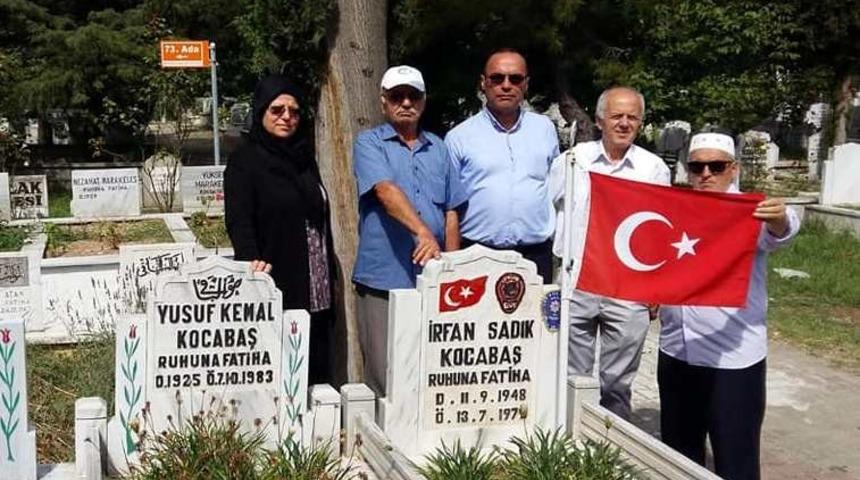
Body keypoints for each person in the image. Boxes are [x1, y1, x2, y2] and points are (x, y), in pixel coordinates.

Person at [658, 132, 799, 480]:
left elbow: (782, 229)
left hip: (732, 360)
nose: (706, 173)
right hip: (676, 350)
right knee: (680, 457)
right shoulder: (678, 207)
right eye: (697, 166)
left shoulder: (751, 212)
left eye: (716, 166)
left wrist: (781, 217)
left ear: (733, 169)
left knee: (735, 459)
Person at [552, 86, 671, 420]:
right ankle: (568, 438)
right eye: (617, 115)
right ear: (600, 119)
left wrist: (656, 285)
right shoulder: (573, 161)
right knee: (571, 375)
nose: (624, 123)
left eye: (632, 117)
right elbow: (548, 212)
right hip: (577, 282)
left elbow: (661, 230)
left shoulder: (654, 169)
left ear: (641, 123)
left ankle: (611, 442)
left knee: (618, 381)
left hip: (628, 286)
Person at [352, 65, 466, 396]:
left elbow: (451, 210)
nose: (405, 102)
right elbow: (385, 191)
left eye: (413, 95)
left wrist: (453, 268)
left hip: (432, 279)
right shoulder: (368, 143)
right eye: (397, 96)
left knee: (430, 369)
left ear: (424, 101)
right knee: (385, 375)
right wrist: (422, 232)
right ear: (383, 102)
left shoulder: (440, 148)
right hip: (383, 277)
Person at [224, 74, 335, 386]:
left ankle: (318, 428)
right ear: (261, 111)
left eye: (294, 111)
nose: (287, 117)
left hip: (316, 279)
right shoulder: (245, 161)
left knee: (315, 354)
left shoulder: (303, 159)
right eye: (277, 110)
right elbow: (238, 217)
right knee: (281, 357)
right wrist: (249, 259)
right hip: (276, 273)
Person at [445, 48, 560, 283]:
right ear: (483, 83)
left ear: (526, 84)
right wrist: (452, 263)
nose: (506, 85)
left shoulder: (545, 129)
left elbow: (556, 187)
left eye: (515, 79)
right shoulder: (458, 137)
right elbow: (450, 208)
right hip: (477, 256)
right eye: (497, 78)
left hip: (535, 256)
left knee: (537, 321)